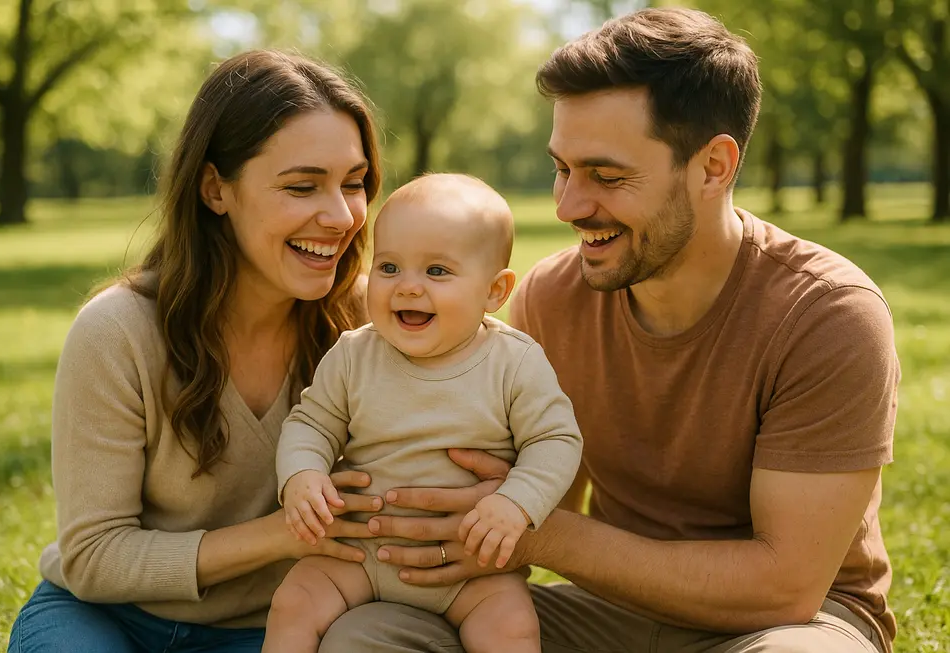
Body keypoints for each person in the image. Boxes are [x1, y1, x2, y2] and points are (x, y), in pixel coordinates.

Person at [317, 8, 900, 653]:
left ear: (713, 166)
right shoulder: (552, 297)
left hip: (786, 626)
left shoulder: (826, 314)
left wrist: (539, 533)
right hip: (606, 610)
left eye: (607, 176)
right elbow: (525, 490)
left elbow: (783, 587)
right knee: (369, 633)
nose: (569, 206)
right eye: (562, 169)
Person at [7, 50, 388, 652]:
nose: (341, 216)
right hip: (107, 616)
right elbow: (94, 556)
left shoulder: (371, 323)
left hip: (282, 623)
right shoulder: (116, 332)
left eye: (354, 182)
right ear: (216, 189)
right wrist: (285, 533)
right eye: (301, 186)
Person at [263, 173, 583, 653]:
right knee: (295, 602)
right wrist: (302, 475)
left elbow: (556, 440)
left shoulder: (513, 362)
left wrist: (515, 502)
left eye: (437, 272)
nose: (408, 288)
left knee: (511, 628)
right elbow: (311, 424)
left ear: (495, 291)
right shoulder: (355, 355)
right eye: (389, 267)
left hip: (472, 569)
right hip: (361, 553)